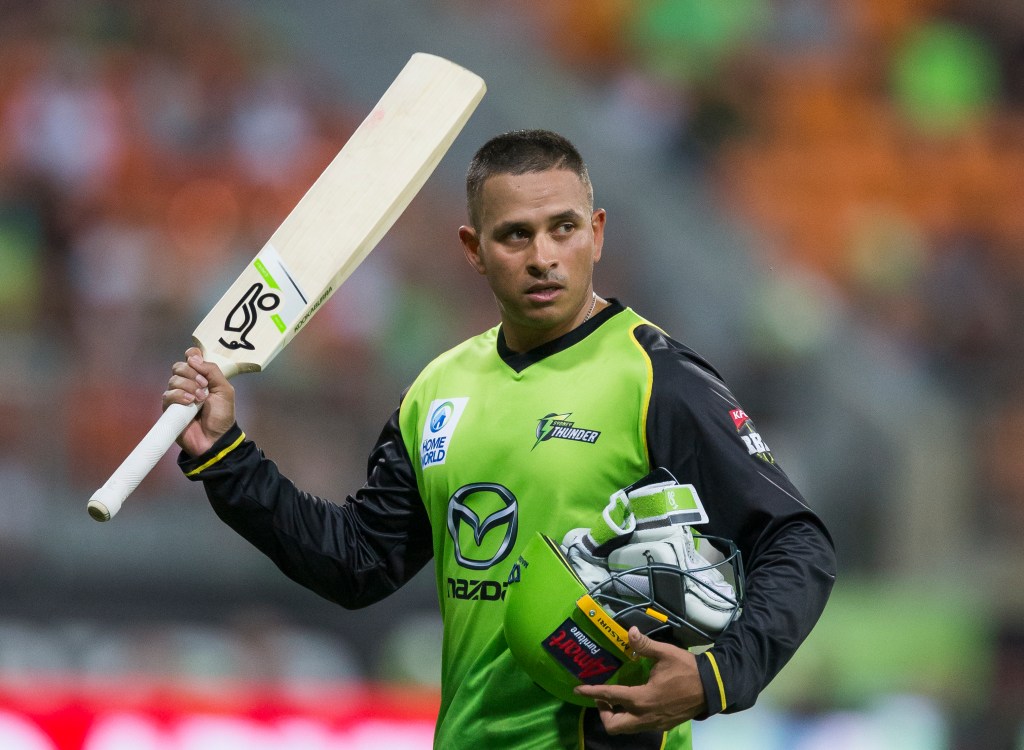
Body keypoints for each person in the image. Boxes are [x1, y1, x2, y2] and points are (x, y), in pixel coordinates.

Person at [164, 129, 836, 749]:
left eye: (563, 228)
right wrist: (226, 459)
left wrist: (720, 675)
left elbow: (796, 540)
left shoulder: (659, 378)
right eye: (515, 235)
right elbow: (358, 563)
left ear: (597, 234)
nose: (543, 258)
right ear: (473, 249)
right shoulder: (437, 389)